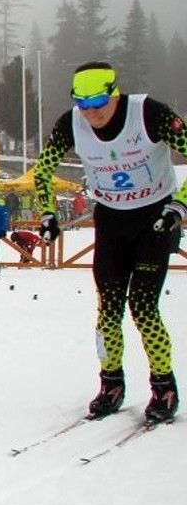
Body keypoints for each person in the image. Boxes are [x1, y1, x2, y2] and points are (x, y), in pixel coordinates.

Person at [35, 61, 187, 423]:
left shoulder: (149, 112)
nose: (91, 114)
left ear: (114, 94)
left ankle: (164, 387)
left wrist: (179, 207)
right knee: (108, 311)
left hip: (155, 220)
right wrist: (47, 213)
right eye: (83, 105)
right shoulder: (70, 123)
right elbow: (42, 170)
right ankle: (111, 383)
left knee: (144, 307)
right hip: (112, 221)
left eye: (98, 104)